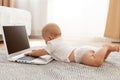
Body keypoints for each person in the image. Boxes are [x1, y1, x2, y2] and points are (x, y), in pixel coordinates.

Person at [25, 23, 120, 67]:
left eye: (44, 38)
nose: (45, 42)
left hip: (79, 55)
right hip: (81, 50)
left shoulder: (51, 43)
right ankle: (108, 50)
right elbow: (46, 51)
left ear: (50, 37)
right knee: (102, 59)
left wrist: (31, 54)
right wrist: (36, 51)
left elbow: (43, 51)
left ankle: (106, 47)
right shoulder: (59, 41)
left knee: (96, 62)